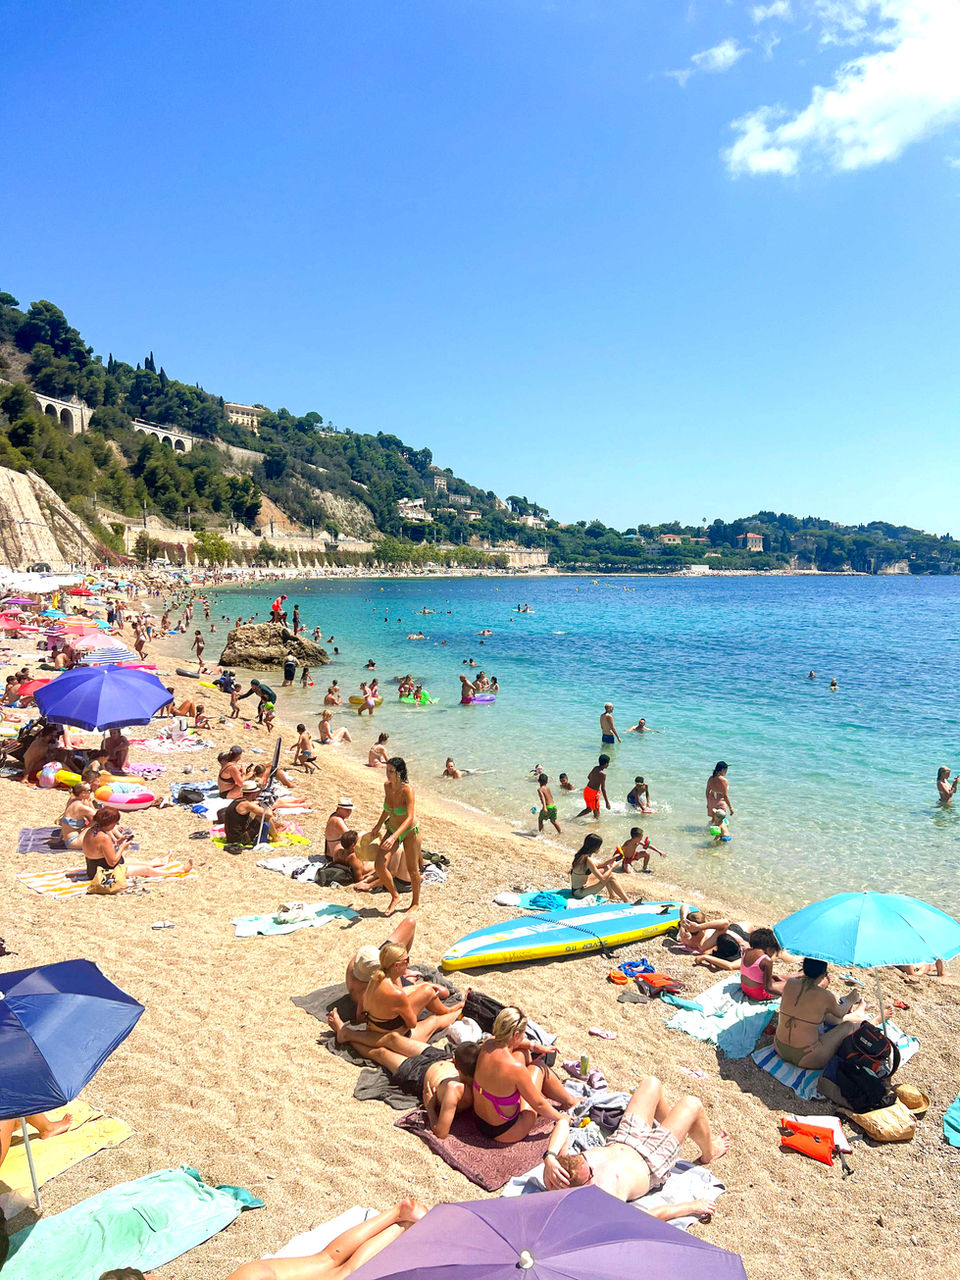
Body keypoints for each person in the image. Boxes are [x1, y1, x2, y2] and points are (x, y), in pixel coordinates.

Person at [542, 1075, 728, 1215]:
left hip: (624, 1137)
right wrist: (691, 1207)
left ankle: (676, 1126)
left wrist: (550, 1157)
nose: (592, 1166)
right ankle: (708, 1152)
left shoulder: (556, 1174)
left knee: (651, 1083)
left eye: (584, 1158)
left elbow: (563, 1124)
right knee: (692, 1104)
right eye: (590, 1172)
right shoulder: (600, 1201)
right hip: (651, 1160)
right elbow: (645, 1218)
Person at [219, 1198, 429, 1280]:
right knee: (327, 1258)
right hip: (252, 1275)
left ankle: (402, 1226)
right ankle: (398, 1213)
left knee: (344, 1273)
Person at [471, 1007, 576, 1143]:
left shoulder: (487, 1044)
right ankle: (570, 1101)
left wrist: (534, 1046)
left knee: (522, 1052)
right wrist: (561, 1118)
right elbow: (539, 1104)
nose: (523, 1037)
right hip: (506, 1131)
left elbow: (512, 1043)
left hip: (480, 1121)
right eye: (523, 1034)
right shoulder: (515, 1068)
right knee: (539, 1067)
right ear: (515, 1034)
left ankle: (555, 1094)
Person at [333, 942, 464, 1047]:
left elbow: (361, 1008)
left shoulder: (374, 979)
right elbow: (411, 1024)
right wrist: (411, 1006)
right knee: (435, 1020)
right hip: (394, 1036)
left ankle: (449, 1008)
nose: (409, 963)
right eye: (406, 961)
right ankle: (457, 1009)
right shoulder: (396, 994)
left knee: (426, 989)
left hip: (373, 1026)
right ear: (396, 966)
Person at [774, 959, 866, 1069]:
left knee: (819, 1014)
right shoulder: (825, 995)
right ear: (823, 975)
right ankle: (861, 1017)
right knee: (848, 1026)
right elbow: (840, 1013)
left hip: (779, 1047)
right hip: (807, 1056)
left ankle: (857, 1014)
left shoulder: (790, 983)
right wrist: (851, 999)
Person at [368, 757, 422, 914]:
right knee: (379, 864)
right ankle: (395, 896)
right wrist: (378, 825)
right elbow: (388, 808)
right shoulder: (387, 786)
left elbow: (410, 817)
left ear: (400, 772)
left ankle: (415, 902)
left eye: (391, 771)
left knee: (413, 869)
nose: (387, 774)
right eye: (387, 770)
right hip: (392, 828)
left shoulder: (408, 791)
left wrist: (394, 837)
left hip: (410, 832)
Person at [81, 807, 186, 881]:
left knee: (134, 861)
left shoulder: (92, 830)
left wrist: (118, 842)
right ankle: (177, 871)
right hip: (103, 873)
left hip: (93, 868)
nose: (114, 826)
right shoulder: (104, 838)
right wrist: (123, 847)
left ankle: (161, 862)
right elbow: (112, 862)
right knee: (146, 870)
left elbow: (101, 850)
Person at [692, 927, 792, 999]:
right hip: (758, 994)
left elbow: (755, 971)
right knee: (790, 985)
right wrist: (785, 995)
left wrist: (773, 977)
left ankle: (797, 977)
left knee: (779, 978)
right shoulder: (766, 960)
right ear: (769, 947)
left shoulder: (747, 952)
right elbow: (768, 988)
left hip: (746, 989)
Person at [569, 833, 630, 902]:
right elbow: (603, 879)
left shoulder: (581, 855)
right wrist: (612, 867)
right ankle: (627, 900)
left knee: (606, 868)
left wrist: (613, 858)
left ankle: (612, 896)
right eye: (599, 846)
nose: (599, 849)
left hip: (579, 887)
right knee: (610, 875)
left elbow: (599, 865)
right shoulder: (587, 859)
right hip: (579, 893)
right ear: (594, 847)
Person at [678, 908, 755, 961]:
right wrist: (699, 927)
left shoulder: (685, 935)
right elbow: (725, 923)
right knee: (753, 931)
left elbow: (684, 906)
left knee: (749, 925)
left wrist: (683, 921)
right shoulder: (705, 943)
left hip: (730, 930)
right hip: (737, 936)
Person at [222, 780, 276, 850]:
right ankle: (276, 837)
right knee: (263, 816)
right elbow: (269, 814)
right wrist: (266, 807)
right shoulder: (246, 805)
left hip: (231, 837)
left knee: (258, 813)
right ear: (254, 793)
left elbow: (250, 805)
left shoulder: (238, 801)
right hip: (240, 839)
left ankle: (274, 834)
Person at [59, 781, 97, 849]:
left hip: (69, 840)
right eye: (89, 790)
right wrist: (90, 802)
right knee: (97, 821)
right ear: (83, 794)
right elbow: (99, 816)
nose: (91, 792)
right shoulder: (80, 807)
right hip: (74, 842)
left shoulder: (72, 801)